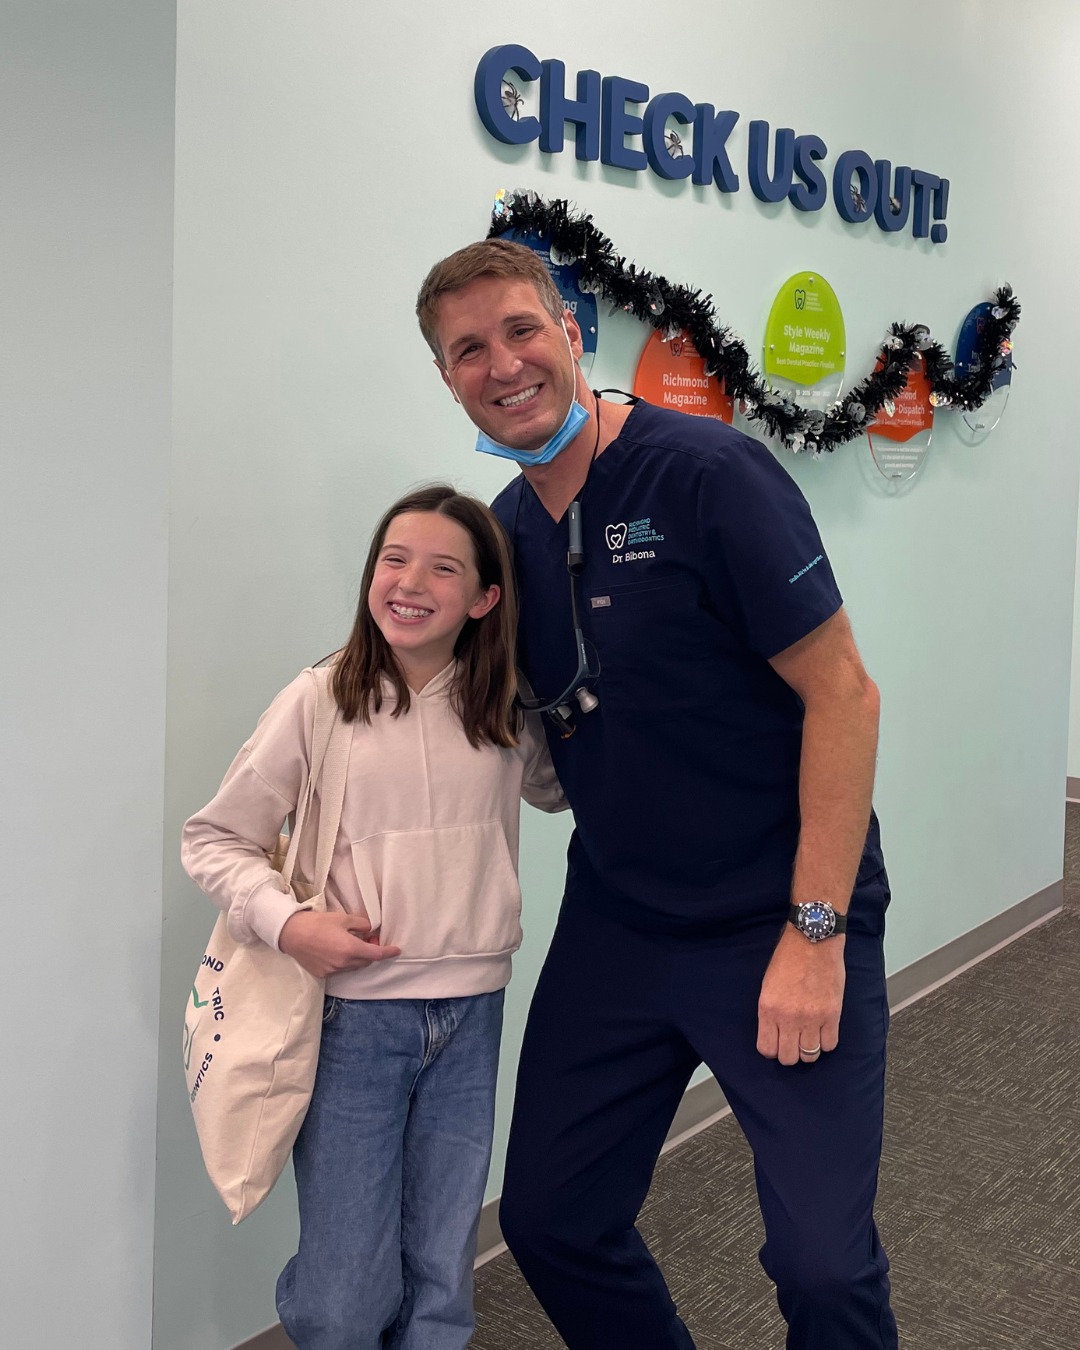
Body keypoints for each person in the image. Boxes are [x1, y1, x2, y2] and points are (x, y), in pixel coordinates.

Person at [414, 238, 899, 1350]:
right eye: (468, 350)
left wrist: (815, 933)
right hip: (624, 920)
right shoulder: (506, 532)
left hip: (782, 910)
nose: (503, 364)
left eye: (521, 330)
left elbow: (846, 697)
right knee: (549, 1220)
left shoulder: (708, 476)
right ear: (450, 379)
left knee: (823, 1269)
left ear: (571, 333)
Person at [181, 483, 565, 1350]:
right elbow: (214, 840)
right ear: (370, 576)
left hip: (471, 1015)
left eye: (442, 567)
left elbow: (554, 790)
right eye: (394, 558)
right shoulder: (321, 700)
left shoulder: (502, 704)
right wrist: (289, 924)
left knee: (440, 1275)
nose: (410, 581)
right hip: (355, 1022)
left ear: (484, 598)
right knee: (350, 1289)